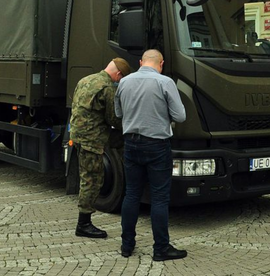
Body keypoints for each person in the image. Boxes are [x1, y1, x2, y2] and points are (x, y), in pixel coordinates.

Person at [114, 49, 187, 261]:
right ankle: (161, 248)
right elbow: (180, 116)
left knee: (132, 194)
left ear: (140, 62)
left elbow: (119, 113)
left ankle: (127, 245)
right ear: (161, 63)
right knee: (159, 198)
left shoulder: (124, 82)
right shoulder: (165, 83)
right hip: (157, 145)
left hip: (131, 144)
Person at [70, 57, 131, 238]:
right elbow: (114, 119)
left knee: (87, 176)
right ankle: (83, 224)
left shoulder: (86, 80)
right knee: (92, 179)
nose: (120, 82)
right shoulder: (107, 88)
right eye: (122, 79)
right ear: (118, 74)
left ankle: (84, 221)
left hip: (79, 136)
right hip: (92, 140)